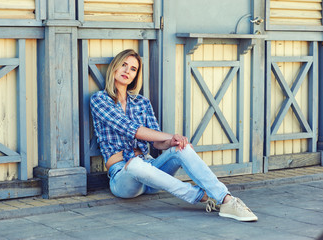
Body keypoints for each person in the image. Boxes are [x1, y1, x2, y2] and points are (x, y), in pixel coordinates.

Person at [90, 49, 258, 222]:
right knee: (135, 165)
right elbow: (132, 129)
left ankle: (226, 200)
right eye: (124, 65)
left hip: (151, 171)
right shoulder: (100, 99)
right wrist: (169, 135)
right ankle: (202, 197)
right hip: (123, 177)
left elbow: (157, 144)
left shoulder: (142, 102)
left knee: (182, 148)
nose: (127, 71)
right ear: (114, 68)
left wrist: (173, 141)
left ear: (135, 76)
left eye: (133, 69)